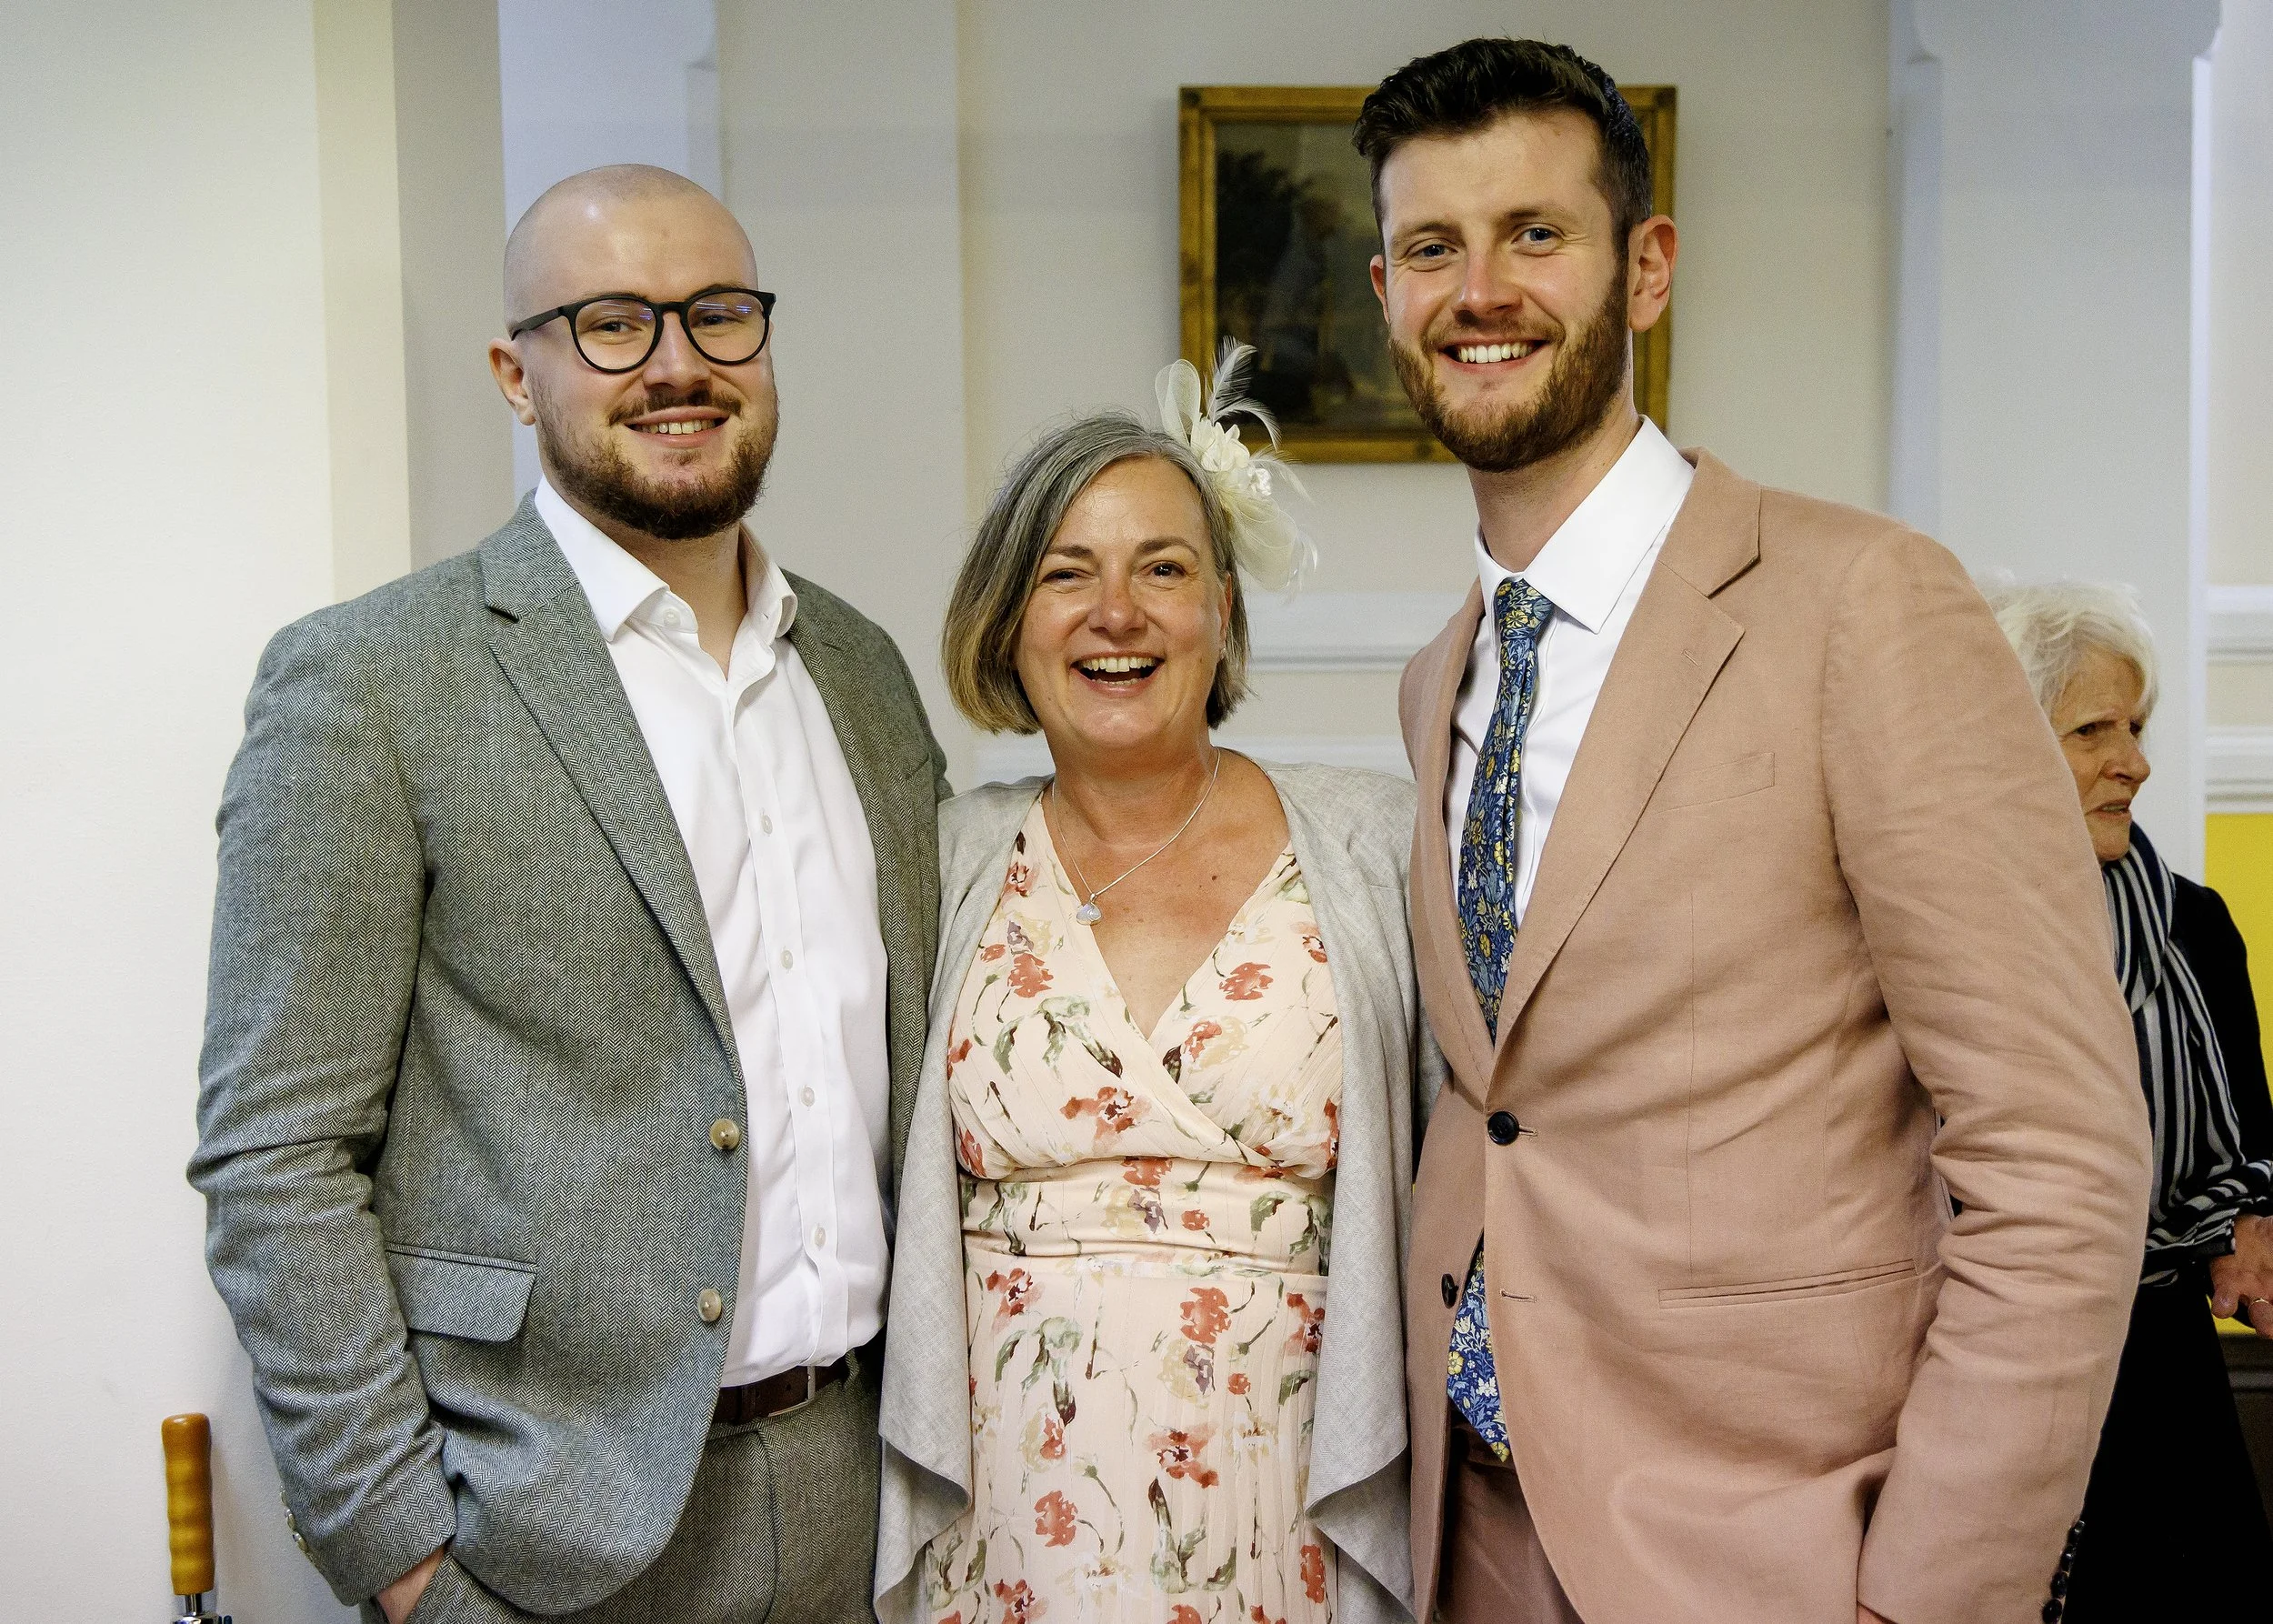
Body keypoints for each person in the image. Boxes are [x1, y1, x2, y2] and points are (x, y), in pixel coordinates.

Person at [1358, 38, 2153, 1623]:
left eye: (1537, 234)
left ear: (1644, 269)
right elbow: (1508, 1109)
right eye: (1433, 247)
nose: (1482, 287)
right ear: (1386, 292)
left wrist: (1925, 1597)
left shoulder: (1866, 603)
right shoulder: (1441, 674)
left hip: (1772, 1552)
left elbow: (2061, 1158)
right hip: (1475, 1533)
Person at [191, 165, 946, 1624]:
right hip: (544, 1532)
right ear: (513, 371)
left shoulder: (859, 671)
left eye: (720, 315)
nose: (678, 365)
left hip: (867, 1499)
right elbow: (274, 1152)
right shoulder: (370, 681)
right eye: (610, 323)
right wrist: (405, 1556)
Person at [874, 354, 1436, 1624]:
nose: (1115, 611)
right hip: (1009, 1506)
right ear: (1007, 621)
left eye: (1163, 569)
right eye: (1067, 572)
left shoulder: (1376, 845)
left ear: (1223, 611)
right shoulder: (939, 858)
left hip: (1284, 1491)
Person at [1987, 580, 2273, 1619]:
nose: (2136, 762)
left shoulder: (2194, 924)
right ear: (2001, 745)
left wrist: (2249, 1217)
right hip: (1991, 1365)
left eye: (2138, 727)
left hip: (2160, 1371)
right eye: (2091, 729)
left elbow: (2251, 1148)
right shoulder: (1921, 938)